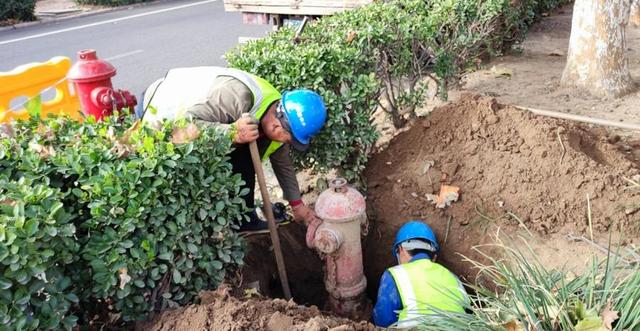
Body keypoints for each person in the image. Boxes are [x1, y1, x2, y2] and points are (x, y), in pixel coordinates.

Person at [139, 66, 326, 232]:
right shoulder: (236, 96)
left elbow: (283, 163)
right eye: (290, 137)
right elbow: (183, 126)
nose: (288, 142)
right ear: (278, 126)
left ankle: (242, 218)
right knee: (240, 149)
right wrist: (230, 133)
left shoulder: (277, 116)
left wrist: (297, 205)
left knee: (246, 149)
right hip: (160, 109)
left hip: (195, 123)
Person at [372, 221, 469, 328]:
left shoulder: (395, 275)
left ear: (401, 250)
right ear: (434, 256)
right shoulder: (452, 277)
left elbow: (383, 321)